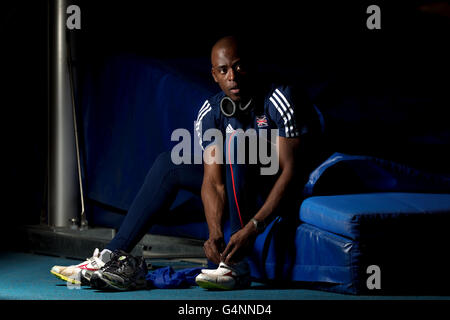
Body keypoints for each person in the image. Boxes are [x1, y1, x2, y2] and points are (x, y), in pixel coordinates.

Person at [50, 35, 322, 291]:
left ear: (250, 66)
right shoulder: (211, 111)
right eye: (224, 70)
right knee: (169, 164)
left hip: (271, 182)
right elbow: (213, 181)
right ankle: (112, 254)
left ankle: (235, 266)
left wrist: (254, 227)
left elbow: (292, 171)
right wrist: (214, 233)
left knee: (239, 143)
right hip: (235, 181)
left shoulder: (279, 97)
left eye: (238, 67)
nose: (232, 77)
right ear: (214, 75)